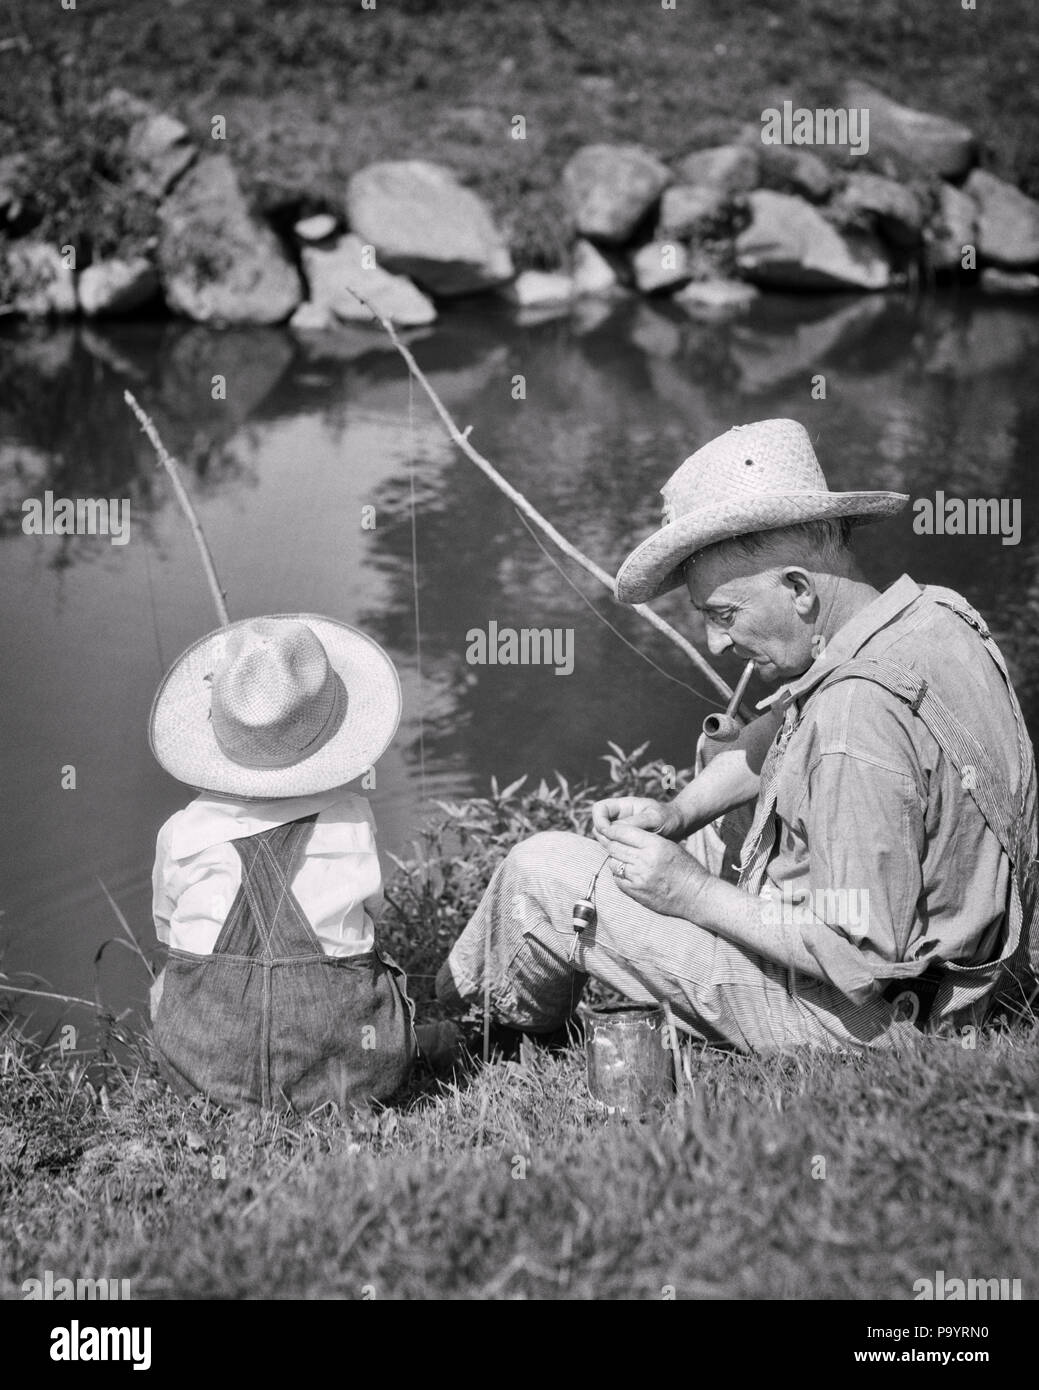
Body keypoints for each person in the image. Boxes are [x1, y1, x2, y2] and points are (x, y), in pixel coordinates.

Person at [436, 419, 1038, 1051]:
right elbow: (785, 724)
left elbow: (860, 948)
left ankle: (476, 1039)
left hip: (873, 1016)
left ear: (799, 590)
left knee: (545, 871)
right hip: (948, 948)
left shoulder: (855, 720)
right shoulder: (929, 616)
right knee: (659, 848)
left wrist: (691, 892)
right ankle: (466, 1013)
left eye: (724, 615)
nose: (717, 643)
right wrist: (678, 813)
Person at [148, 613, 418, 1110]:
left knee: (164, 983)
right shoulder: (352, 817)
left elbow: (169, 936)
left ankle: (217, 1085)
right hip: (355, 1077)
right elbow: (373, 915)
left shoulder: (182, 832)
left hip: (207, 1078)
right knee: (380, 967)